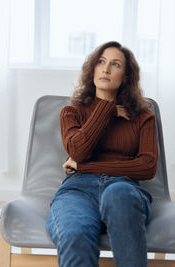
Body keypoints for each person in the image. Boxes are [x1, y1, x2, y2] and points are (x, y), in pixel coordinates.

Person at [46, 41, 158, 267]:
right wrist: (106, 110)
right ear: (93, 69)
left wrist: (84, 166)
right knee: (74, 234)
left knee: (117, 194)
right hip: (77, 191)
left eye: (115, 64)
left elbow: (147, 167)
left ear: (125, 76)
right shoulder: (71, 112)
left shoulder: (143, 116)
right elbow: (77, 150)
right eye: (101, 62)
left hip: (123, 189)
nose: (106, 69)